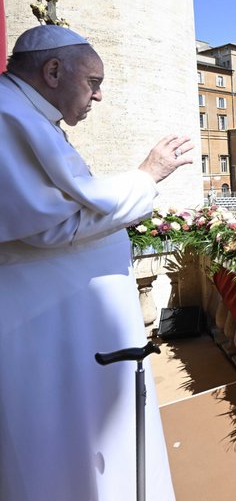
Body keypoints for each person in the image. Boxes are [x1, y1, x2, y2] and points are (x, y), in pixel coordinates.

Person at [0, 25, 192, 500]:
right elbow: (51, 226)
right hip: (42, 327)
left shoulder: (28, 117)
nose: (99, 96)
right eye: (93, 82)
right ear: (52, 71)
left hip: (57, 321)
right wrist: (146, 176)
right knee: (59, 453)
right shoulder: (9, 117)